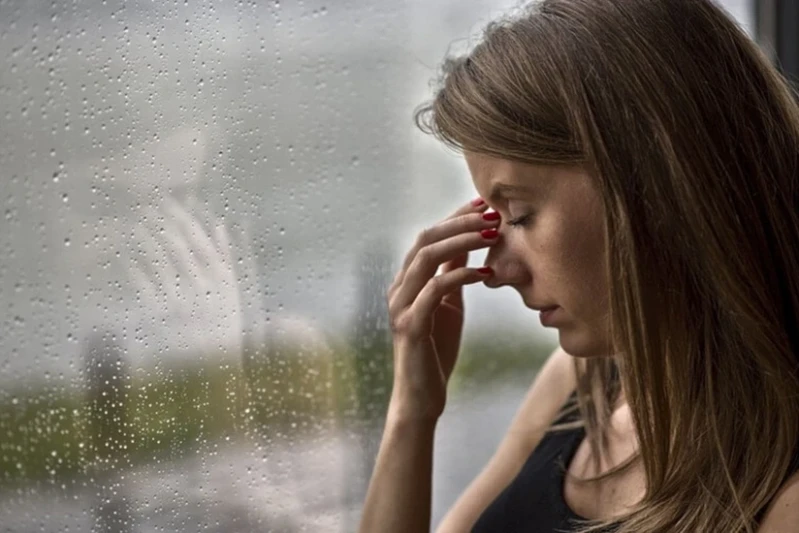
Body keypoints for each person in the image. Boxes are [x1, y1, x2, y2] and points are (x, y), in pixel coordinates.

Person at [356, 0, 799, 532]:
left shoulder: (782, 499)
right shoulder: (581, 385)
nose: (494, 271)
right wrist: (412, 413)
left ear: (656, 185)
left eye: (518, 215)